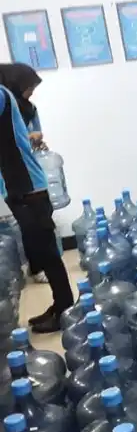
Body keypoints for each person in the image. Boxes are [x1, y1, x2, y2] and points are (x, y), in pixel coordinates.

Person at [0, 64, 74, 333]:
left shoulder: (1, 95)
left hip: (30, 190)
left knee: (48, 255)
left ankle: (65, 308)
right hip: (18, 190)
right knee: (39, 252)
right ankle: (59, 305)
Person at [0, 64, 49, 284]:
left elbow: (29, 135)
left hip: (28, 176)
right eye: (30, 87)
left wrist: (35, 139)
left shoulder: (25, 107)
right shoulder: (7, 101)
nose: (31, 91)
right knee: (29, 229)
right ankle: (37, 267)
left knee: (37, 229)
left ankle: (41, 268)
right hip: (14, 178)